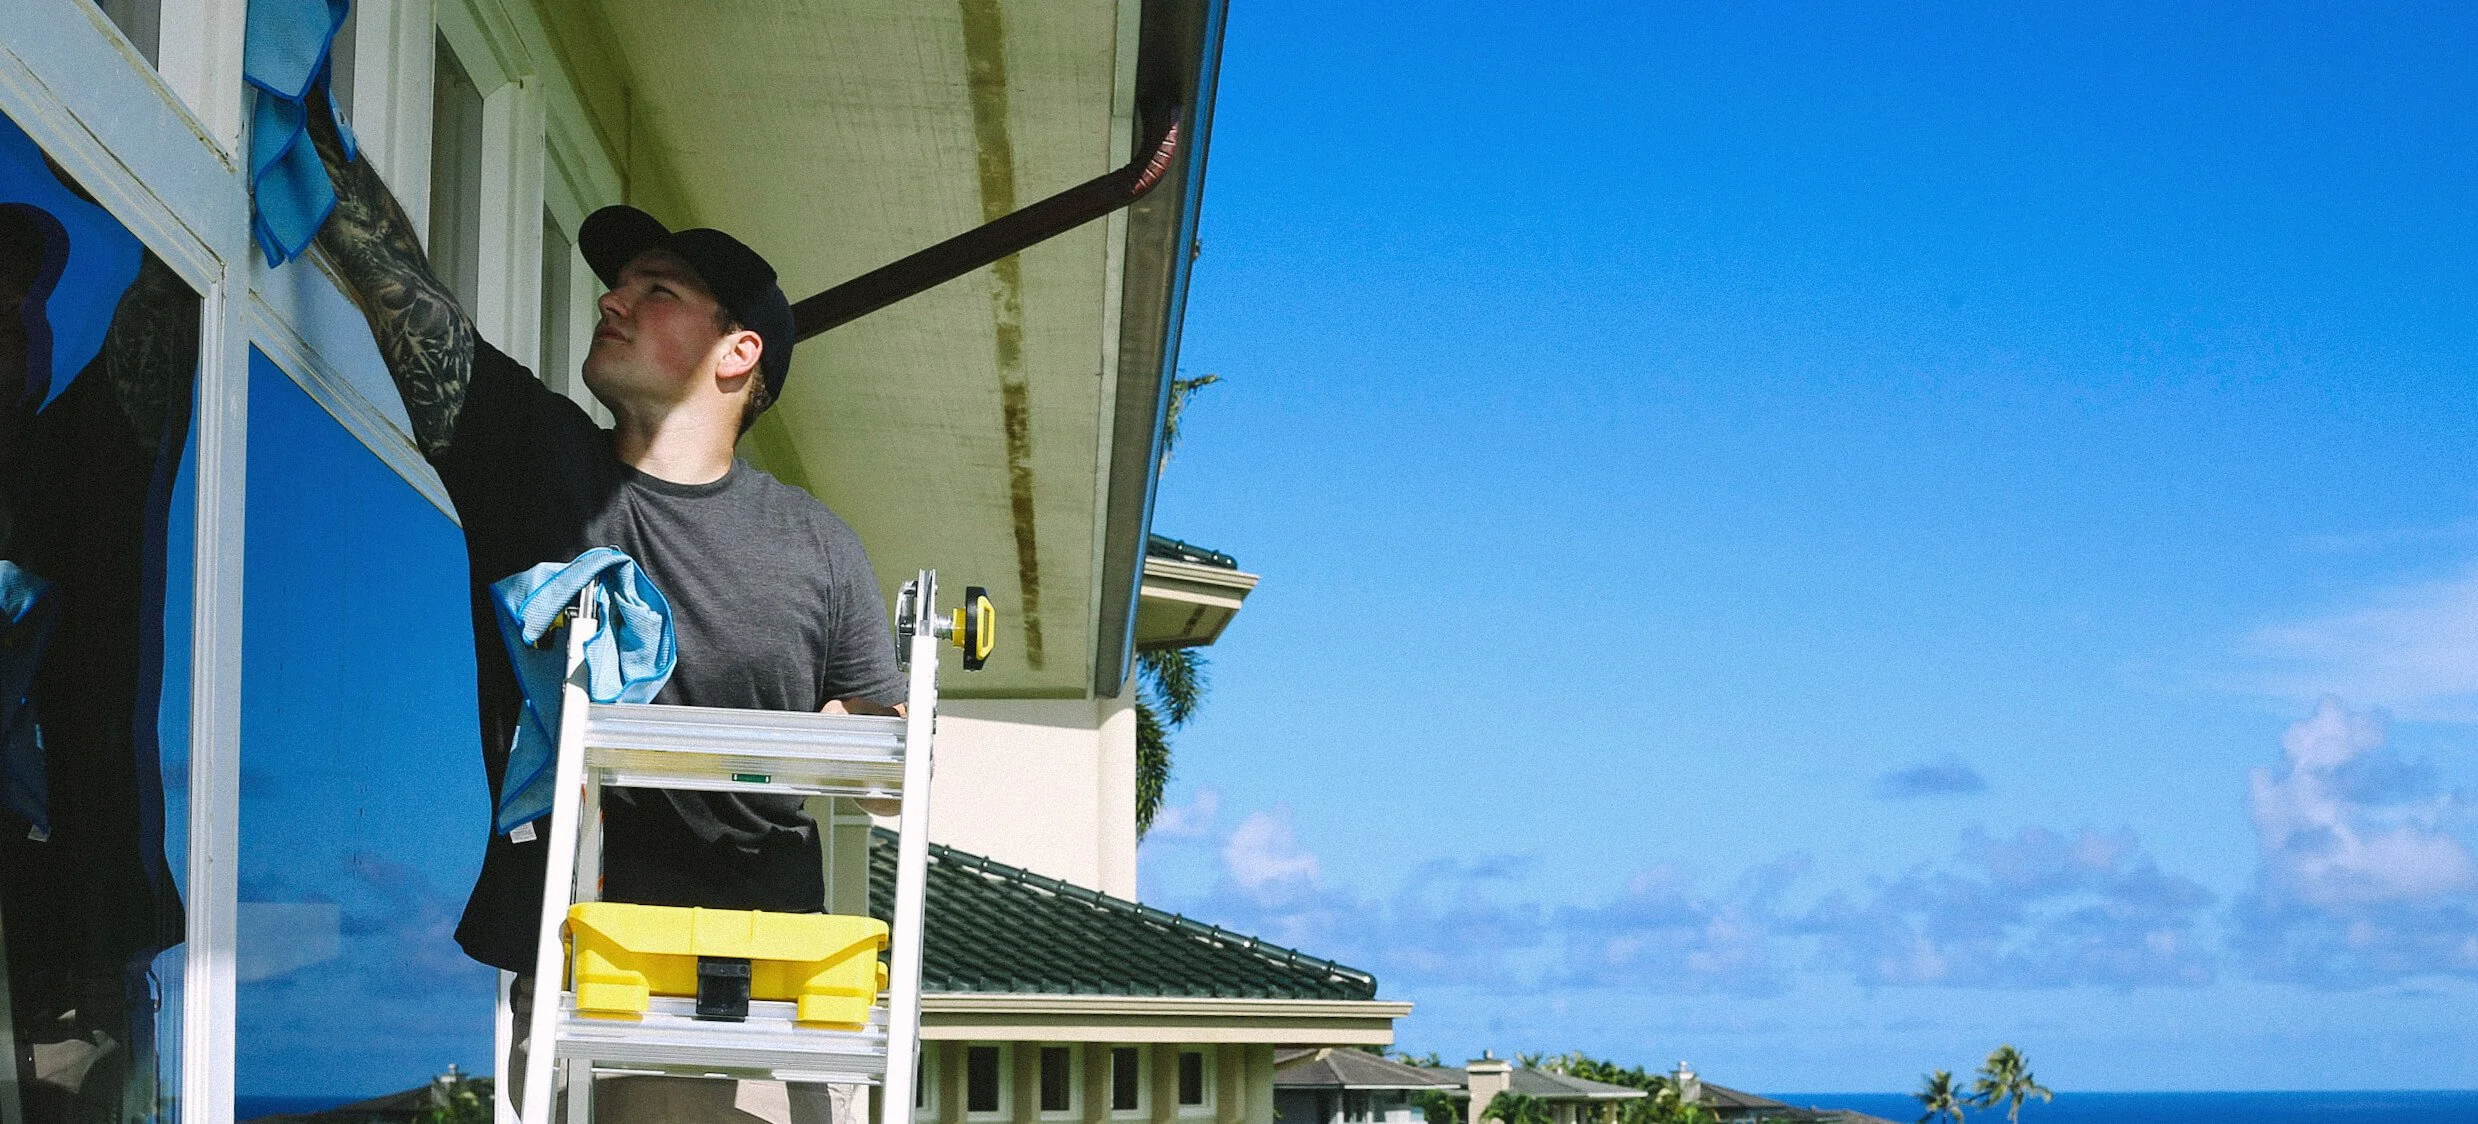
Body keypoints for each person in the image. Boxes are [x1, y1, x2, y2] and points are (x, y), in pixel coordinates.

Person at [302, 97, 903, 1124]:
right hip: (589, 970)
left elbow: (887, 749)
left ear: (737, 352)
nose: (613, 299)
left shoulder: (817, 543)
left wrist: (760, 752)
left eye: (656, 289)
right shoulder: (537, 466)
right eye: (616, 284)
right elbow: (406, 296)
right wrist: (308, 126)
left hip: (766, 989)